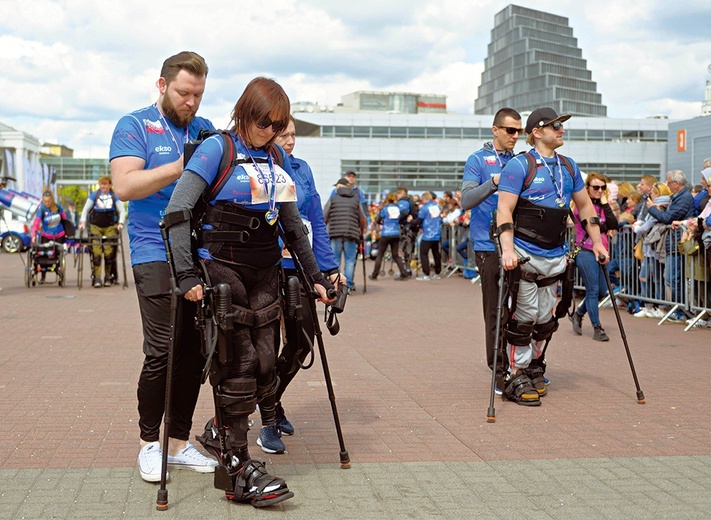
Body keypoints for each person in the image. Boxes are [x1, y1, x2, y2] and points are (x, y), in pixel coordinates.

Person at [165, 76, 334, 506]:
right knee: (237, 363)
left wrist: (315, 275)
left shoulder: (275, 156)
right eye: (263, 122)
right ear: (245, 112)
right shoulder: (216, 149)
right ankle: (238, 469)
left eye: (277, 124)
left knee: (265, 365)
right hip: (222, 268)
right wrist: (186, 276)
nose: (270, 131)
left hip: (266, 273)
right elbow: (177, 212)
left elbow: (293, 224)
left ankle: (220, 434)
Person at [110, 51, 218, 482]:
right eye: (184, 92)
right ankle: (148, 443)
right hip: (153, 247)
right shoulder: (134, 125)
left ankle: (177, 442)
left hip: (197, 252)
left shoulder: (206, 129)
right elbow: (124, 185)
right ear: (162, 85)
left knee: (193, 352)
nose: (191, 102)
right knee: (162, 350)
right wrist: (183, 168)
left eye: (199, 94)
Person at [496, 107, 608, 406]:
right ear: (537, 131)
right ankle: (514, 373)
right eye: (555, 125)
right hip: (524, 255)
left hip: (556, 255)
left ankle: (535, 364)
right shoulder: (520, 165)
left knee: (546, 319)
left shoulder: (569, 167)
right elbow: (504, 210)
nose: (561, 130)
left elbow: (585, 207)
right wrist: (507, 250)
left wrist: (597, 243)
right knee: (523, 318)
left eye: (561, 125)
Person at [255, 115, 342, 454]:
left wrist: (329, 267)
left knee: (303, 340)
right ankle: (266, 420)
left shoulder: (302, 168)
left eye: (293, 135)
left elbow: (316, 221)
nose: (290, 141)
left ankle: (271, 400)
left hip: (302, 267)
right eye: (284, 135)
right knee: (265, 346)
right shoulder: (260, 166)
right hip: (269, 266)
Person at [461, 107, 522, 387]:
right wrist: (495, 182)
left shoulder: (522, 161)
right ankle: (498, 370)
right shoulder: (477, 159)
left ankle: (522, 365)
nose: (515, 135)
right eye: (510, 130)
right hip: (488, 246)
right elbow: (467, 199)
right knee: (496, 310)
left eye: (519, 131)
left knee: (522, 310)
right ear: (495, 129)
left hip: (519, 245)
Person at [570, 173, 619, 341]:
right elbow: (593, 224)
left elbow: (613, 224)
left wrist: (605, 203)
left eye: (603, 188)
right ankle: (597, 328)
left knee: (602, 291)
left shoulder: (602, 206)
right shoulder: (582, 205)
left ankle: (578, 313)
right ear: (587, 188)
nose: (600, 191)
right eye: (596, 187)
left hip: (602, 251)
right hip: (585, 250)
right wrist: (603, 225)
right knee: (592, 290)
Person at [646, 170, 696, 322]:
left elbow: (668, 218)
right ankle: (679, 309)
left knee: (673, 279)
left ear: (676, 184)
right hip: (673, 243)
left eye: (668, 182)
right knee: (671, 279)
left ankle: (682, 311)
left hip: (677, 243)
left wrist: (652, 208)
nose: (667, 185)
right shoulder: (677, 197)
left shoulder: (684, 198)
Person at [78, 176, 126, 287]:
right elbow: (85, 209)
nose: (103, 186)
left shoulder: (114, 196)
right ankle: (97, 277)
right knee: (96, 253)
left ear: (110, 185)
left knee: (109, 253)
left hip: (110, 227)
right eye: (101, 184)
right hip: (96, 227)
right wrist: (83, 222)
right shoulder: (95, 195)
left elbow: (122, 210)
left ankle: (108, 276)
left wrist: (121, 223)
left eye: (105, 184)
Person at [324, 177, 367, 293]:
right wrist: (362, 231)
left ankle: (335, 285)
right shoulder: (356, 200)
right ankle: (347, 287)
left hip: (334, 232)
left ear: (339, 187)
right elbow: (362, 218)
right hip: (351, 233)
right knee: (350, 261)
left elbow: (324, 216)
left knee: (335, 260)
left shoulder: (333, 199)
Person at [369, 192, 410, 281]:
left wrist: (381, 222)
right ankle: (403, 273)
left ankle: (374, 274)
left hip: (386, 233)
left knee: (380, 254)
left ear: (387, 199)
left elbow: (378, 219)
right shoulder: (398, 208)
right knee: (396, 255)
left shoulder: (385, 209)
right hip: (396, 232)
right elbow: (403, 215)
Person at [30, 190, 68, 284]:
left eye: (48, 201)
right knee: (43, 255)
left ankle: (60, 272)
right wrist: (33, 236)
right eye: (45, 201)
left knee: (56, 255)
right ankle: (43, 276)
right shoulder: (41, 209)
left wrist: (68, 232)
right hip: (46, 235)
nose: (47, 203)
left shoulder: (58, 207)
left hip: (59, 234)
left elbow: (65, 220)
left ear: (52, 200)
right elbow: (36, 223)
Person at [413, 191, 443, 280]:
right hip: (437, 233)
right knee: (436, 253)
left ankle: (426, 273)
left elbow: (419, 220)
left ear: (424, 199)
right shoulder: (437, 206)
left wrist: (411, 222)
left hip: (428, 234)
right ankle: (438, 272)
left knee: (423, 253)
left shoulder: (424, 208)